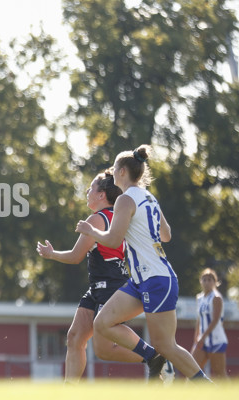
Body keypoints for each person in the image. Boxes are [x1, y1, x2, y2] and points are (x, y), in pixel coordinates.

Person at [75, 145, 211, 382]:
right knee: (103, 323)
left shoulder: (125, 200)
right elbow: (166, 234)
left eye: (115, 169)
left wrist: (91, 231)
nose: (113, 173)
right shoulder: (148, 196)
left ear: (123, 172)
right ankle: (152, 357)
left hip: (156, 279)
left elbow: (113, 239)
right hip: (141, 280)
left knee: (166, 345)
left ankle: (205, 386)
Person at [37, 170, 149, 383]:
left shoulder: (97, 219)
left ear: (101, 195)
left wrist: (51, 254)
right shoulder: (117, 217)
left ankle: (154, 356)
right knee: (74, 338)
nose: (87, 191)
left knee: (105, 349)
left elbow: (75, 256)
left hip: (110, 287)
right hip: (100, 286)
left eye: (91, 188)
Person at [191, 268, 228, 379]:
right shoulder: (200, 298)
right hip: (202, 341)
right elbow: (199, 318)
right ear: (200, 281)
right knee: (191, 369)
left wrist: (203, 336)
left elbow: (215, 320)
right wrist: (196, 336)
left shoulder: (216, 298)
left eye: (210, 279)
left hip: (216, 340)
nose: (207, 282)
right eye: (204, 279)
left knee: (219, 373)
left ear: (215, 282)